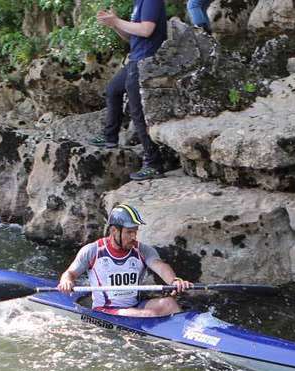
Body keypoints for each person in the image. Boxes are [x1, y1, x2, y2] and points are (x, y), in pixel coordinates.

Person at [57, 204, 193, 317]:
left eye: (135, 231)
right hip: (106, 311)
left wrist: (174, 281)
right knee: (145, 314)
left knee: (170, 303)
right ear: (114, 230)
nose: (134, 236)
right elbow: (70, 273)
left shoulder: (143, 250)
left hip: (135, 306)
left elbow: (160, 266)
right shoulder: (92, 251)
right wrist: (66, 281)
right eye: (129, 232)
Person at [89, 0, 167, 181]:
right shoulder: (138, 2)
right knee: (113, 90)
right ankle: (110, 137)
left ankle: (154, 164)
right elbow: (133, 36)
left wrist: (116, 21)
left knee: (137, 114)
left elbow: (146, 30)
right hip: (135, 59)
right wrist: (114, 23)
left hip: (145, 62)